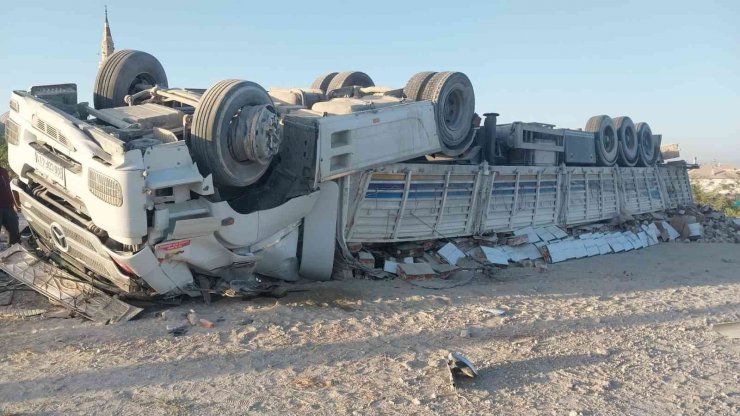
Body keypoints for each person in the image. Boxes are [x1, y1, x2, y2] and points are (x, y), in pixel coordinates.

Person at [0, 166, 20, 245]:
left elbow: (9, 188)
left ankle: (13, 252)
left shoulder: (3, 171)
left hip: (8, 206)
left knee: (14, 231)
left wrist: (15, 204)